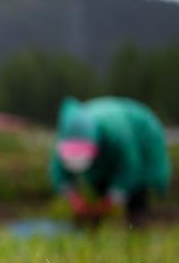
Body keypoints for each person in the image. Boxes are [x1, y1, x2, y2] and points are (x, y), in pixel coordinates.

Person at [51, 97, 170, 227]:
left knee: (137, 189)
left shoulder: (117, 136)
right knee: (100, 182)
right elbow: (60, 173)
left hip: (140, 135)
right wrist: (75, 199)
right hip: (107, 146)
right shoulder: (68, 136)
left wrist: (110, 201)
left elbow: (129, 168)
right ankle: (95, 223)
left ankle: (137, 221)